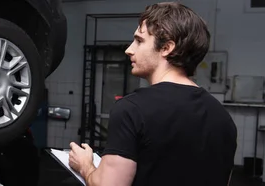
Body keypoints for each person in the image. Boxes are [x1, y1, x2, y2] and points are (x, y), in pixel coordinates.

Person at [68, 2, 237, 186]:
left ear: (166, 48)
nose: (129, 49)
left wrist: (86, 165)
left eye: (139, 41)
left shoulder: (131, 110)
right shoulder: (223, 119)